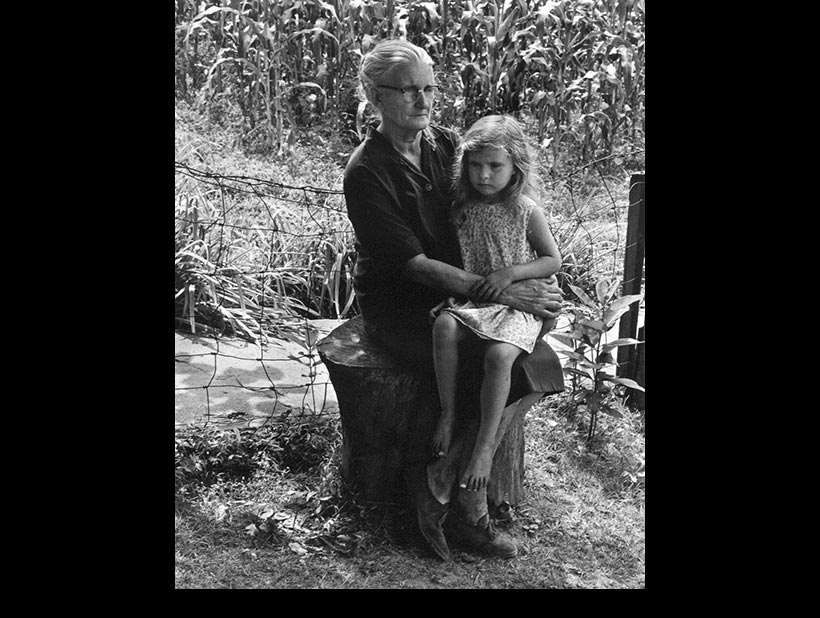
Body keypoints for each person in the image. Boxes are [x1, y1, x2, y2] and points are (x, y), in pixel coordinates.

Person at [342, 39, 564, 562]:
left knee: (539, 362)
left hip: (468, 294)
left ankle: (447, 476)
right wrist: (509, 291)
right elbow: (413, 266)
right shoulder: (367, 172)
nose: (423, 100)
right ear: (376, 95)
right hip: (402, 305)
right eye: (408, 90)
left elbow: (502, 207)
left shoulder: (444, 145)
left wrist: (525, 281)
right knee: (486, 368)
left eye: (429, 87)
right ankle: (469, 511)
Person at [430, 115, 562, 495]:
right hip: (480, 299)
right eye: (475, 165)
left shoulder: (525, 209)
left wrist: (510, 274)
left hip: (520, 302)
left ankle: (485, 448)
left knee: (500, 357)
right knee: (443, 326)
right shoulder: (461, 207)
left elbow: (551, 260)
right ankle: (448, 412)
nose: (483, 175)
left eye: (494, 166)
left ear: (516, 167)